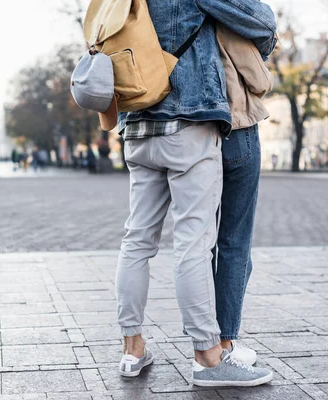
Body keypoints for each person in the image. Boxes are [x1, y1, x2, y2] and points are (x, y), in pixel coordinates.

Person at [115, 0, 277, 387]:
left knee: (136, 240)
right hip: (187, 120)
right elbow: (261, 22)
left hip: (136, 122)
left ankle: (132, 349)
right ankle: (208, 357)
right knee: (194, 242)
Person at [213, 24, 274, 367]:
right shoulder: (230, 14)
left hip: (191, 130)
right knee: (235, 242)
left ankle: (203, 344)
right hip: (237, 127)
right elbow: (261, 78)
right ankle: (226, 341)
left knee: (200, 244)